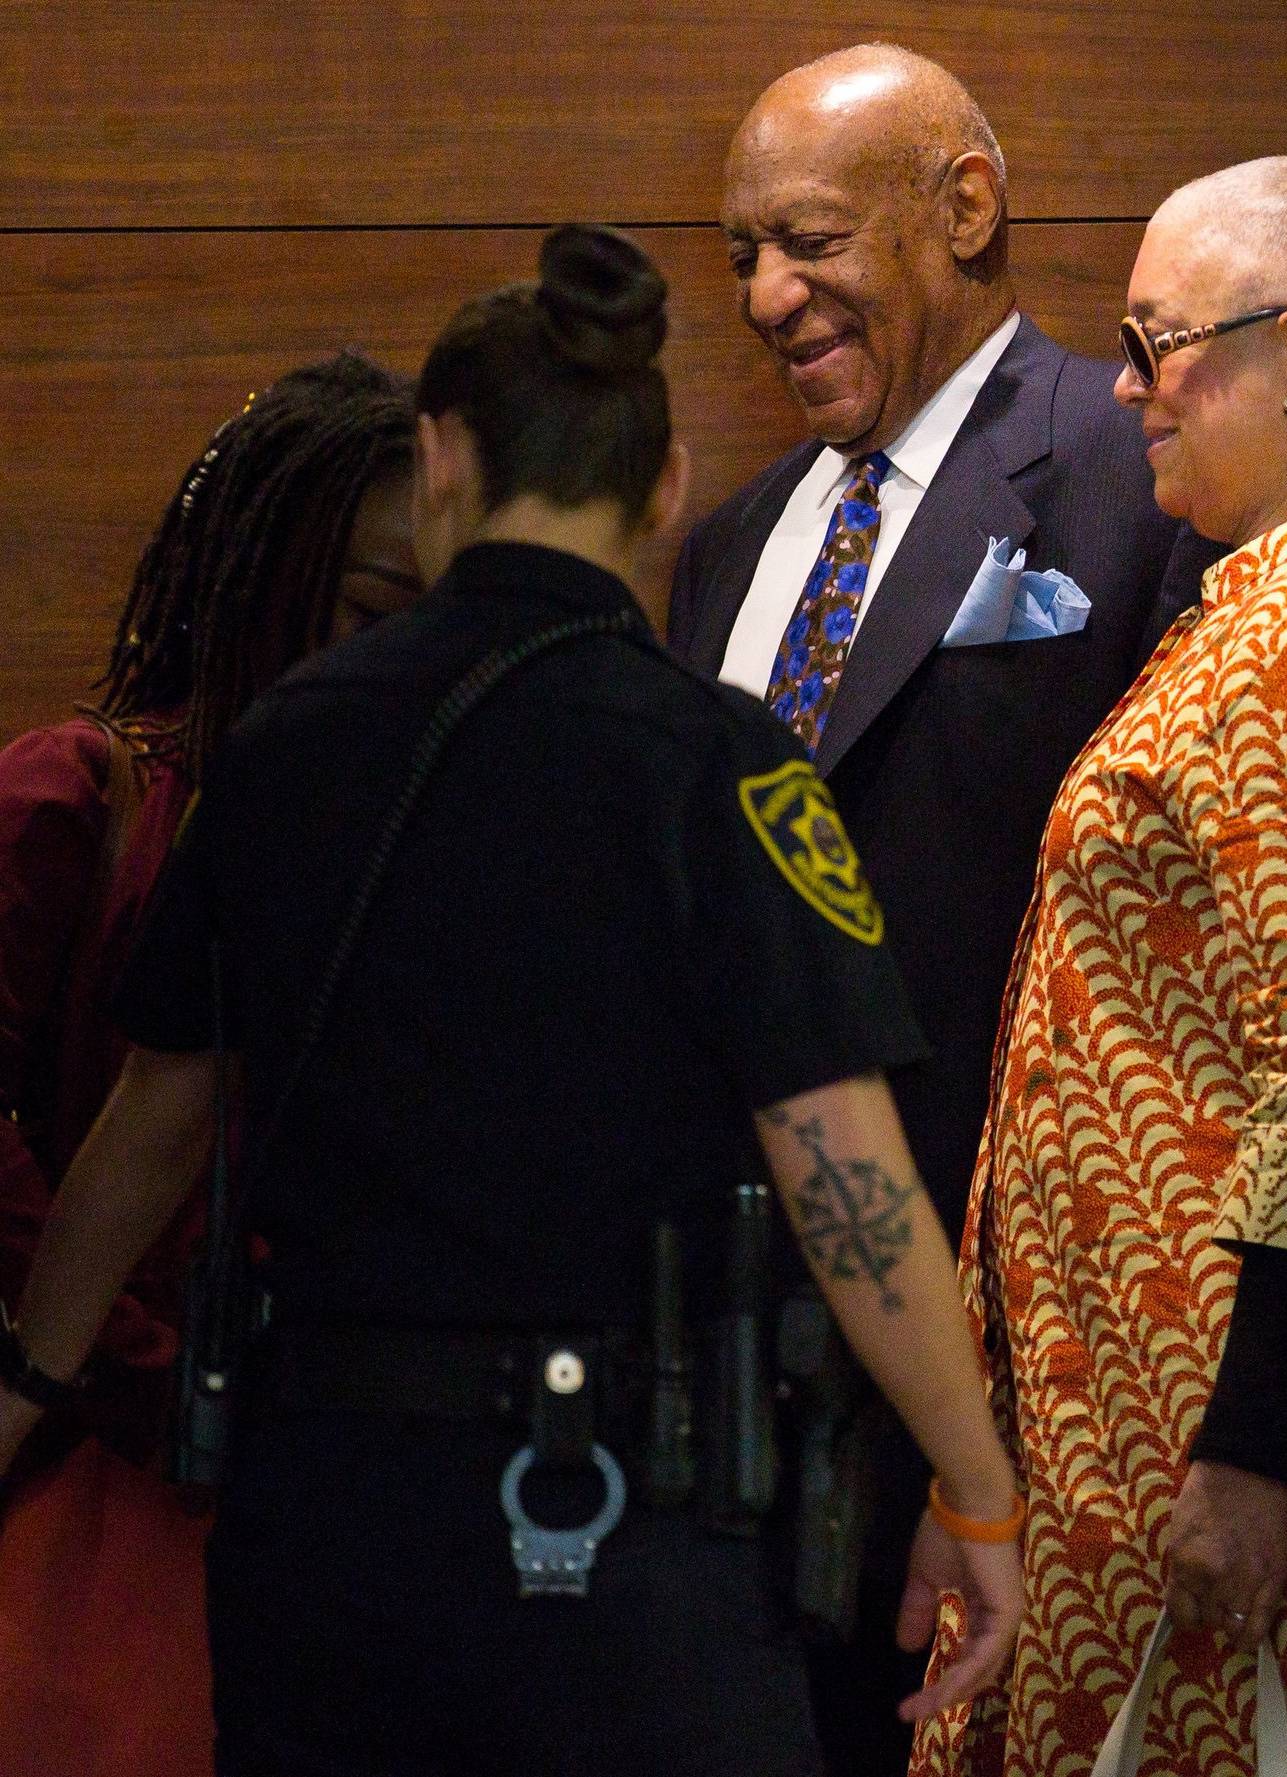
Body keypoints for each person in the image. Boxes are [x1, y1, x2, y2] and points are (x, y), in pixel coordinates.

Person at [0, 223, 1024, 1777]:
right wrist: (977, 1492)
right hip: (633, 1533)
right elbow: (846, 1171)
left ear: (440, 464)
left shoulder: (284, 746)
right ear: (668, 485)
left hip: (327, 1526)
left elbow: (150, 1123)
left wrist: (25, 1382)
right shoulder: (721, 768)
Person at [913, 157, 1287, 1777]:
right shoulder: (1263, 611)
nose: (1124, 388)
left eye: (1157, 340)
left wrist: (1249, 1454)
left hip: (1282, 1478)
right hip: (1151, 1433)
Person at [669, 43, 1213, 1773]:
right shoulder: (734, 540)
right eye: (740, 252)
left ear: (963, 207)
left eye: (806, 239)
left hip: (993, 1342)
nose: (765, 294)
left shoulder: (1137, 482)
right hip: (723, 1365)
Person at [0, 353, 418, 1777]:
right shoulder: (78, 792)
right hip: (94, 1467)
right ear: (262, 579)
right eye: (372, 609)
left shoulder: (417, 837)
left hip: (332, 1473)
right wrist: (116, 1359)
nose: (400, 655)